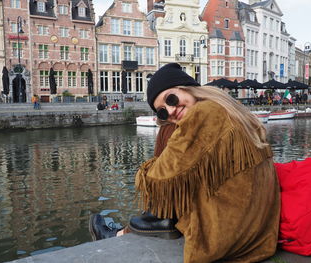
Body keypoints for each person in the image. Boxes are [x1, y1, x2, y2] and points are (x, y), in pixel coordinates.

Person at [92, 63, 280, 262]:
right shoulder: (231, 108)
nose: (171, 111)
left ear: (185, 86)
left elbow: (156, 179)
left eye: (171, 99)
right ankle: (143, 225)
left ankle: (131, 230)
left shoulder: (204, 113)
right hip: (259, 236)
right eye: (162, 112)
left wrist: (146, 168)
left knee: (166, 134)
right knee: (169, 129)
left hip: (221, 239)